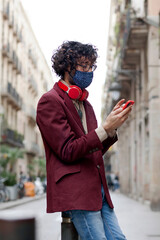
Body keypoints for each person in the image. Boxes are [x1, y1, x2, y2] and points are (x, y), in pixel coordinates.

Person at [36, 41, 132, 240]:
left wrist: (111, 130)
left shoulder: (86, 104)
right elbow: (68, 150)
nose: (88, 72)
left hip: (99, 189)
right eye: (83, 66)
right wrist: (103, 129)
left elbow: (92, 150)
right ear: (67, 67)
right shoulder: (50, 101)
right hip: (77, 191)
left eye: (91, 67)